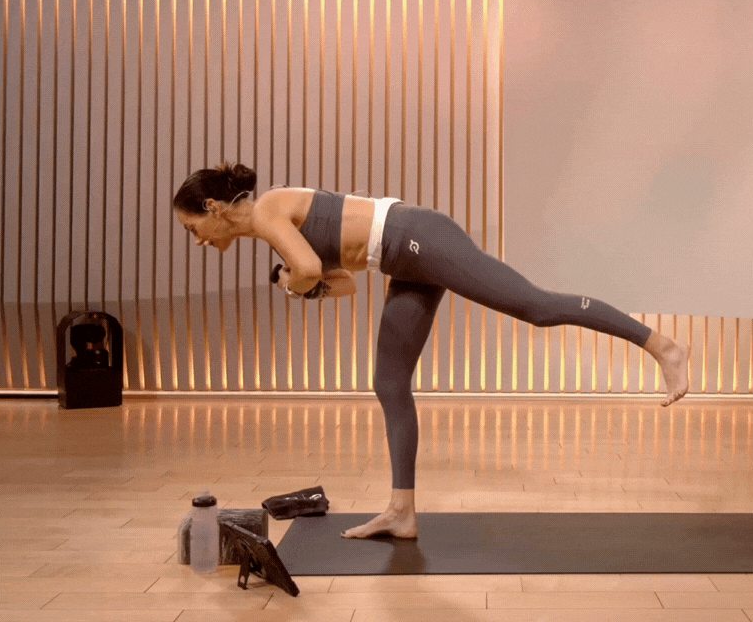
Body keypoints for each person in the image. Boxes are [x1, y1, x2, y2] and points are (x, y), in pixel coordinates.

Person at [173, 162, 690, 539]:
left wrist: (293, 282)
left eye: (192, 228)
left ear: (214, 209)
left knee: (535, 306)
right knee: (389, 381)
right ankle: (402, 511)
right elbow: (345, 283)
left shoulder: (266, 212)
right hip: (401, 258)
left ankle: (660, 344)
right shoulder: (273, 223)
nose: (197, 241)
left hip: (417, 237)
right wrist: (302, 280)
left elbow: (308, 272)